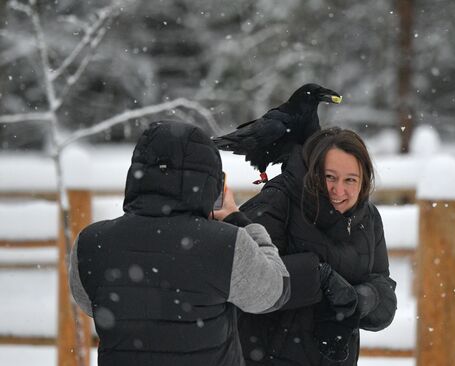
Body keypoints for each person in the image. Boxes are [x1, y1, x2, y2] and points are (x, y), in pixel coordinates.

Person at [69, 120, 290, 366]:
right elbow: (274, 292)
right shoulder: (227, 244)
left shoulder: (91, 243)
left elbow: (89, 304)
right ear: (213, 183)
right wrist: (238, 219)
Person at [237, 127, 397, 365]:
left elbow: (384, 292)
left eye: (350, 180)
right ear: (313, 172)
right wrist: (320, 277)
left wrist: (359, 300)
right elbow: (246, 277)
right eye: (329, 177)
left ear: (363, 182)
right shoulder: (278, 202)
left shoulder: (368, 218)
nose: (339, 191)